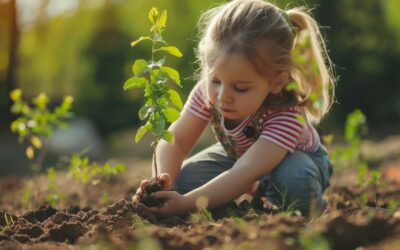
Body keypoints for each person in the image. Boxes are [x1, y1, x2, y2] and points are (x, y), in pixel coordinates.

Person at [133, 0, 335, 217]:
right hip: (242, 159)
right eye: (215, 80)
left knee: (293, 179)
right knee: (183, 180)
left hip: (297, 162)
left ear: (276, 82)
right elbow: (177, 141)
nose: (223, 97)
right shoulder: (208, 91)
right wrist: (161, 182)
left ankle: (316, 209)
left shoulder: (287, 114)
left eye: (240, 88)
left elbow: (246, 171)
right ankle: (258, 186)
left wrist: (186, 204)